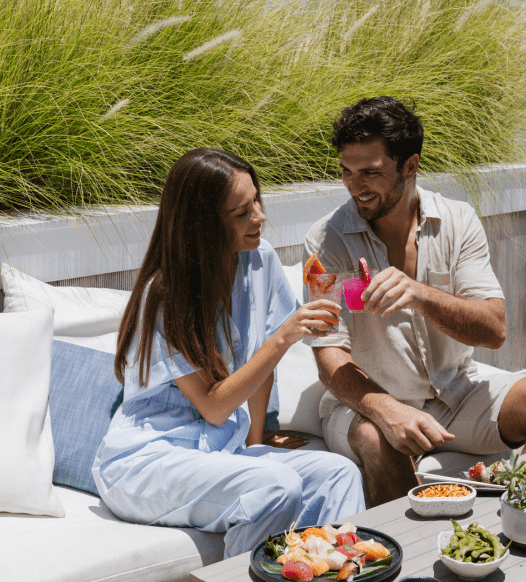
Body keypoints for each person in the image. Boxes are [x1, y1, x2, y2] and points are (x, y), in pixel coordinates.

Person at [304, 97, 526, 506]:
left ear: (410, 167)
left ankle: (520, 519)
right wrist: (387, 410)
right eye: (347, 171)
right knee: (378, 440)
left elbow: (494, 329)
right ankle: (402, 559)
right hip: (367, 404)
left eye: (370, 173)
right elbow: (329, 357)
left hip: (458, 393)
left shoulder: (459, 221)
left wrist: (420, 295)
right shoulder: (324, 241)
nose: (354, 185)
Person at [93, 147, 365, 558]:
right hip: (149, 462)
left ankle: (342, 568)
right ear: (203, 226)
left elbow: (262, 372)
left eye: (256, 200)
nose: (260, 216)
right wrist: (281, 338)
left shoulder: (260, 260)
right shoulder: (165, 294)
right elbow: (214, 407)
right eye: (241, 213)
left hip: (223, 450)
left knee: (338, 473)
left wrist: (256, 446)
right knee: (275, 485)